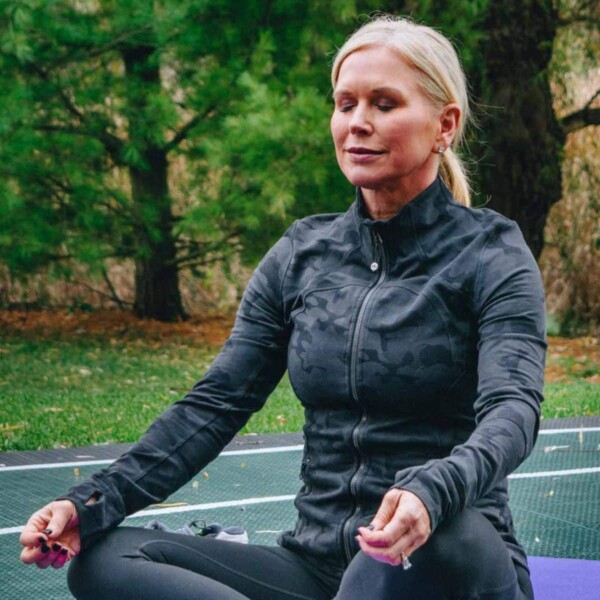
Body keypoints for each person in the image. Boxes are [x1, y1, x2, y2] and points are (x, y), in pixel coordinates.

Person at [19, 14, 546, 600]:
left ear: (444, 124)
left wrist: (434, 491)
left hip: (443, 563)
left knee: (447, 535)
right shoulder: (303, 253)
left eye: (384, 103)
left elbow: (513, 411)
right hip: (317, 568)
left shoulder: (491, 251)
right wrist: (91, 502)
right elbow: (216, 404)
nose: (358, 123)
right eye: (345, 104)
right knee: (108, 559)